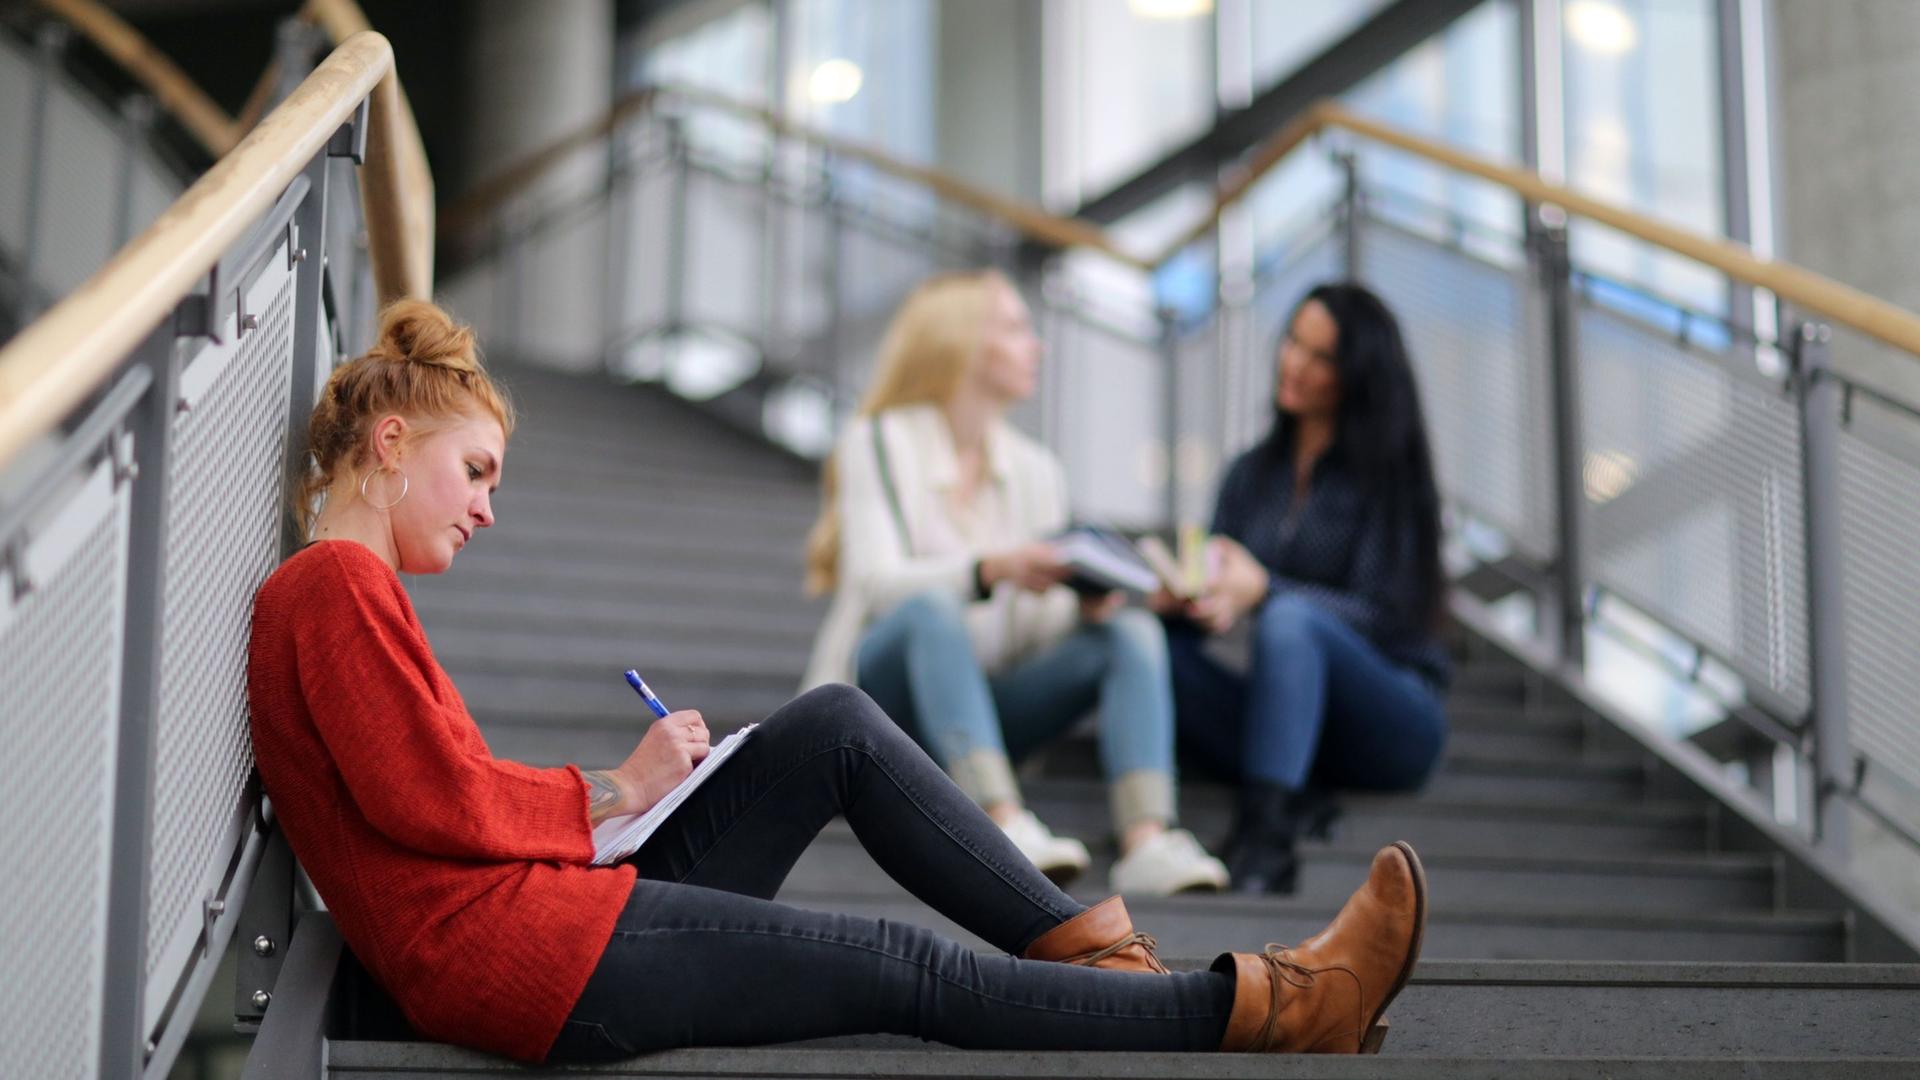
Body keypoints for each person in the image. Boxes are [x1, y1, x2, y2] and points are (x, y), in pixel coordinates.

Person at [246, 299, 1428, 1065]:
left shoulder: (349, 589)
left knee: (831, 728)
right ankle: (1268, 1005)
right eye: (476, 471)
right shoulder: (332, 588)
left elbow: (432, 794)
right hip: (530, 961)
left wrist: (622, 805)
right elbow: (431, 801)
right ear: (390, 444)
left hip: (550, 917)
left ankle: (1095, 955)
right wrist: (611, 790)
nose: (487, 506)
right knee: (905, 968)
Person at [801, 270, 1225, 896]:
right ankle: (998, 819)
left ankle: (1147, 840)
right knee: (931, 610)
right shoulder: (879, 442)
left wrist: (1088, 602)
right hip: (881, 706)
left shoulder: (1036, 469)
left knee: (1131, 630)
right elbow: (873, 584)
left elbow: (1033, 633)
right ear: (962, 342)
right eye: (1016, 328)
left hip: (984, 709)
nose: (1038, 346)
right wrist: (989, 568)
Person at [1154, 283, 1451, 894]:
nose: (1294, 364)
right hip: (1283, 709)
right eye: (1292, 342)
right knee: (1148, 643)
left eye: (1320, 357)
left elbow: (1387, 619)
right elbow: (1226, 597)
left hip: (1390, 715)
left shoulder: (1389, 479)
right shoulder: (1250, 474)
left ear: (1357, 376)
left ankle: (1266, 838)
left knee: (1291, 620)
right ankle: (1291, 783)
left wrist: (1264, 590)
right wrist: (1192, 602)